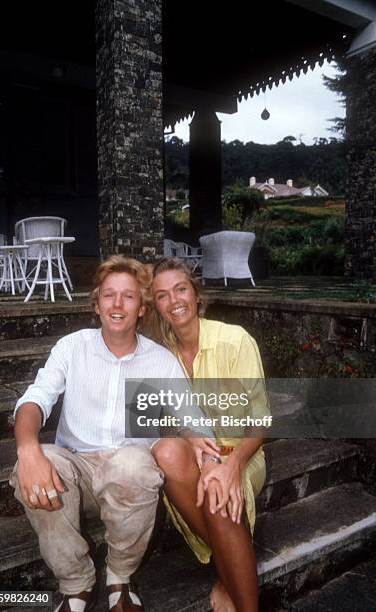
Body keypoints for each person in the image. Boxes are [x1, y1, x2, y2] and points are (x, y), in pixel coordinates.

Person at [10, 255, 216, 612]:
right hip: (75, 468)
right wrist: (27, 450)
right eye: (109, 295)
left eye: (129, 296)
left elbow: (191, 417)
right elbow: (36, 400)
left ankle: (120, 576)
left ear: (142, 309)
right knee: (37, 463)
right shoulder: (73, 347)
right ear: (97, 304)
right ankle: (75, 583)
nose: (117, 305)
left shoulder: (159, 361)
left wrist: (210, 456)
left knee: (134, 463)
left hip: (129, 474)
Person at [149, 257, 269, 612]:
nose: (174, 301)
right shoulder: (159, 356)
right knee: (167, 451)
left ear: (196, 293)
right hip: (197, 453)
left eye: (181, 289)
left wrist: (231, 466)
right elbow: (162, 420)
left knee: (217, 483)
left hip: (243, 452)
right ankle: (229, 564)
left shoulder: (235, 341)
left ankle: (239, 593)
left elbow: (261, 421)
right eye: (162, 295)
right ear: (154, 305)